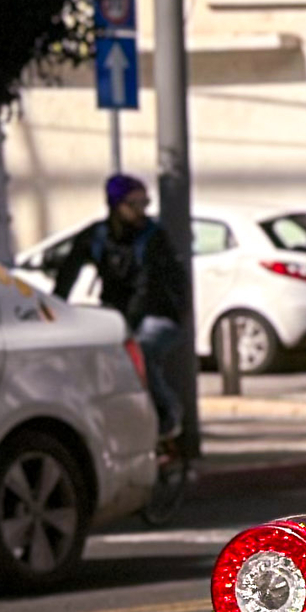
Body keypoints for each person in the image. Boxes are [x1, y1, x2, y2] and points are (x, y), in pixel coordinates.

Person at [52, 174, 190, 447]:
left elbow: (147, 286)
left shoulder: (153, 237)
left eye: (145, 202)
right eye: (135, 203)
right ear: (116, 206)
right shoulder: (97, 236)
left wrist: (124, 326)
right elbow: (69, 270)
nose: (142, 211)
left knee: (140, 351)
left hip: (160, 313)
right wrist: (56, 309)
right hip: (118, 312)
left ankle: (168, 414)